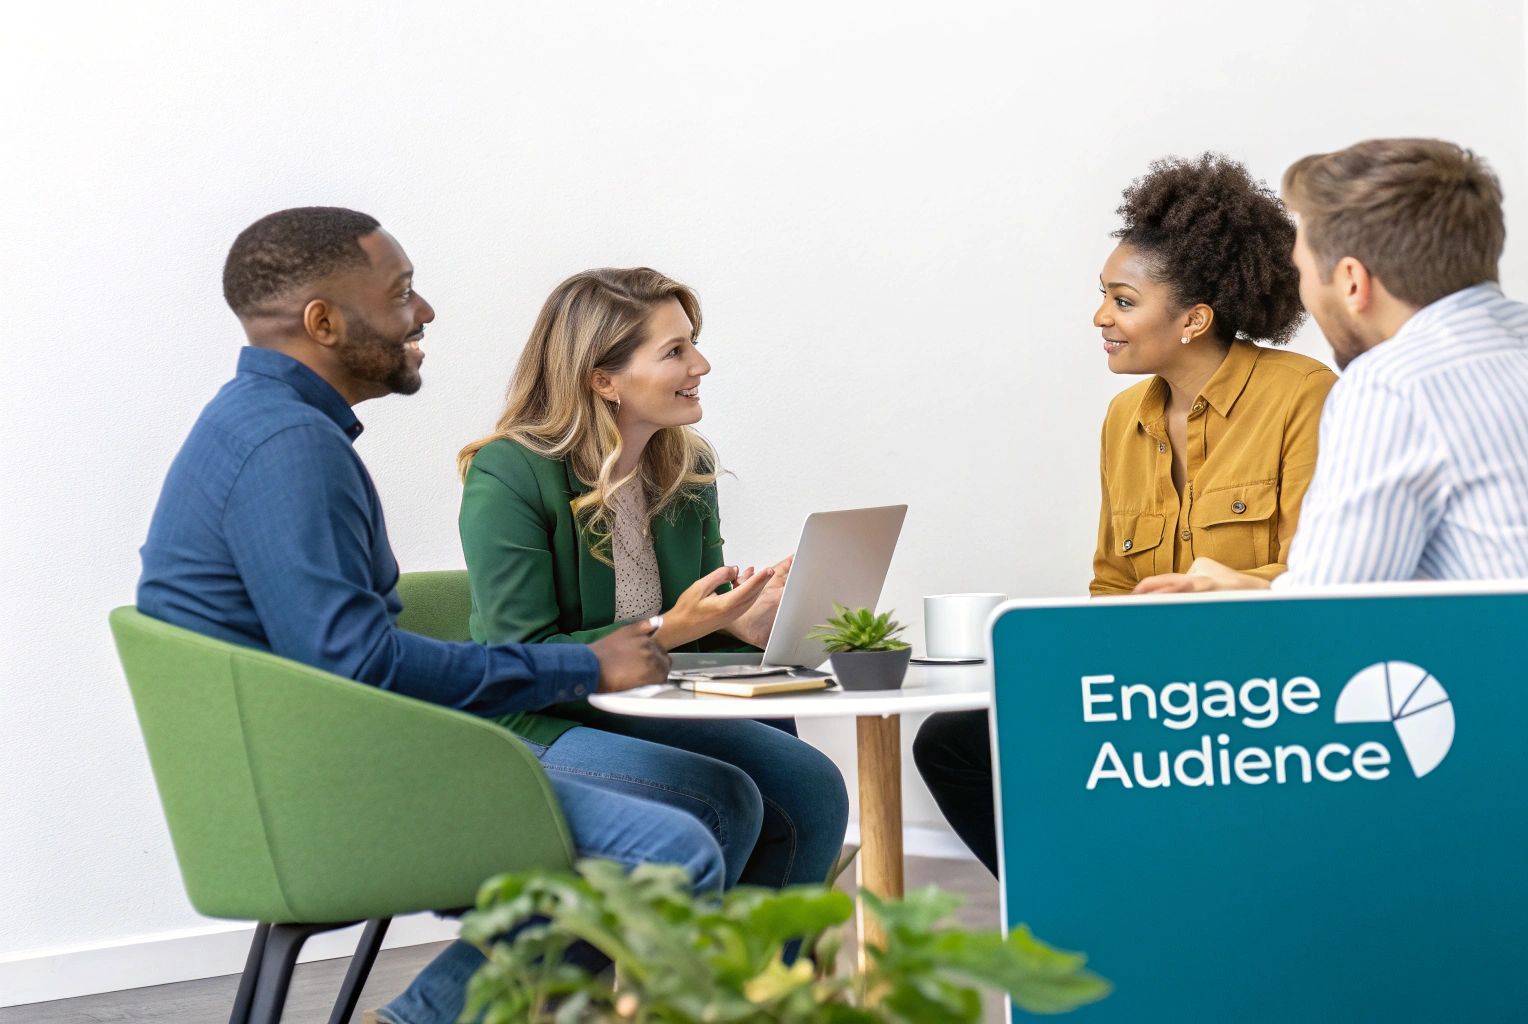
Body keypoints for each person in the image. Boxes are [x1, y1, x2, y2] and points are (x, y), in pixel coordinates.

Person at [135, 208, 719, 1024]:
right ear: (323, 321)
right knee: (671, 846)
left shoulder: (268, 426)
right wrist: (586, 663)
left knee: (694, 816)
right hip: (318, 799)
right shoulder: (287, 448)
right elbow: (361, 667)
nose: (426, 312)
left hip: (306, 771)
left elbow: (346, 659)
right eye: (403, 292)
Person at [915, 154, 1336, 876]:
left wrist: (1209, 592)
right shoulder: (1123, 419)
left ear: (1194, 319)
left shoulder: (1302, 394)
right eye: (1104, 297)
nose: (1100, 318)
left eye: (1123, 300)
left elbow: (1320, 573)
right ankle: (1070, 904)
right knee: (952, 740)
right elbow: (1111, 581)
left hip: (1262, 686)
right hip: (1148, 682)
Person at [1133, 138, 1528, 596]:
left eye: (1303, 269)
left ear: (1353, 281)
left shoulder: (1394, 384)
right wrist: (1260, 588)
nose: (1304, 292)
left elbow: (1331, 620)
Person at [455, 267, 848, 904]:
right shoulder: (510, 473)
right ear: (602, 378)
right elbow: (519, 656)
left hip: (642, 707)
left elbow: (691, 635)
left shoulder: (686, 467)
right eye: (675, 351)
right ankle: (677, 992)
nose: (702, 364)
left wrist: (741, 622)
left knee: (812, 786)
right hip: (533, 721)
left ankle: (764, 994)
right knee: (722, 801)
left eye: (692, 342)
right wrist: (678, 625)